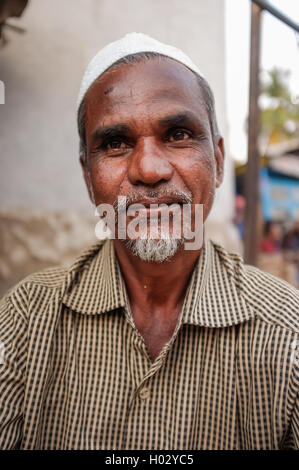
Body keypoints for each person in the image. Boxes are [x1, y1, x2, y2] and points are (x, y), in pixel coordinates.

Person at [0, 33, 298, 450]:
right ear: (89, 177)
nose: (149, 169)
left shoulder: (287, 331)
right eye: (116, 143)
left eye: (177, 134)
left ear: (216, 161)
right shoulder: (25, 321)